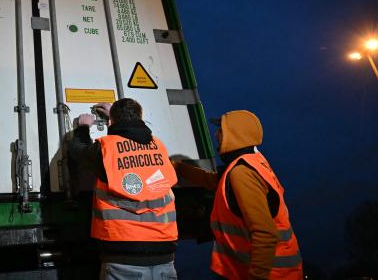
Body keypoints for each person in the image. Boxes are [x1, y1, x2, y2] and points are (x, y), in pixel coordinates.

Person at [172, 110, 302, 279]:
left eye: (221, 130)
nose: (216, 135)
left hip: (270, 274)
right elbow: (211, 181)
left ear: (233, 135)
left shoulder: (242, 173)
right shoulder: (251, 162)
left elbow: (265, 234)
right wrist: (179, 167)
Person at [68, 98, 179, 280]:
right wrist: (115, 117)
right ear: (141, 117)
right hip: (165, 255)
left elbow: (78, 150)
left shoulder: (106, 150)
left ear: (113, 120)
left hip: (123, 257)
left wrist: (82, 128)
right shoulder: (158, 146)